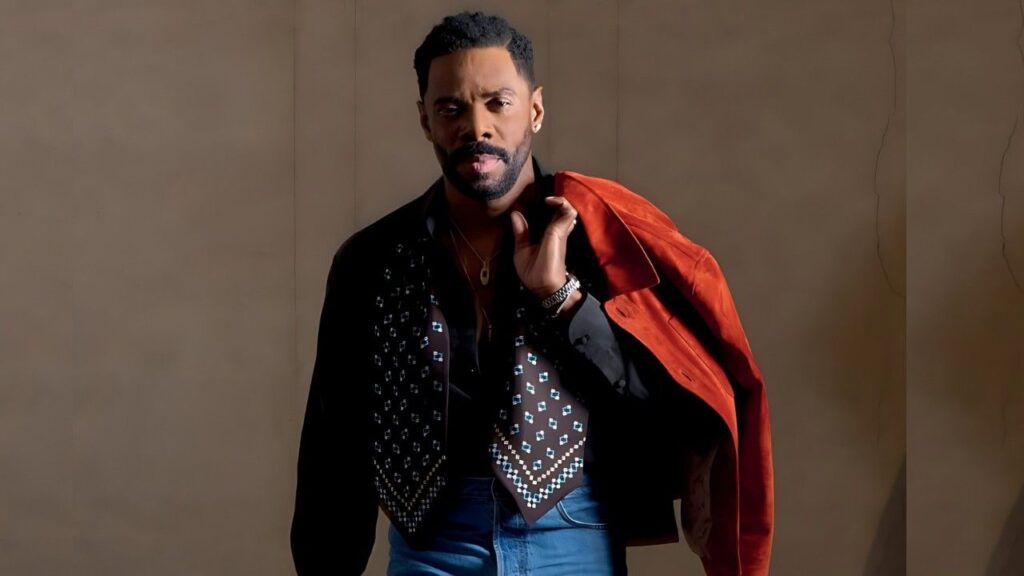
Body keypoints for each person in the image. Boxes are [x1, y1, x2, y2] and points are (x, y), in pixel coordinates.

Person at [290, 10, 773, 576]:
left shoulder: (600, 238)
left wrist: (562, 297)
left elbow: (672, 412)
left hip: (573, 534)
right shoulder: (371, 260)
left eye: (498, 102)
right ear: (425, 120)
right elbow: (337, 443)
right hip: (432, 546)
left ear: (535, 110)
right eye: (451, 108)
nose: (477, 127)